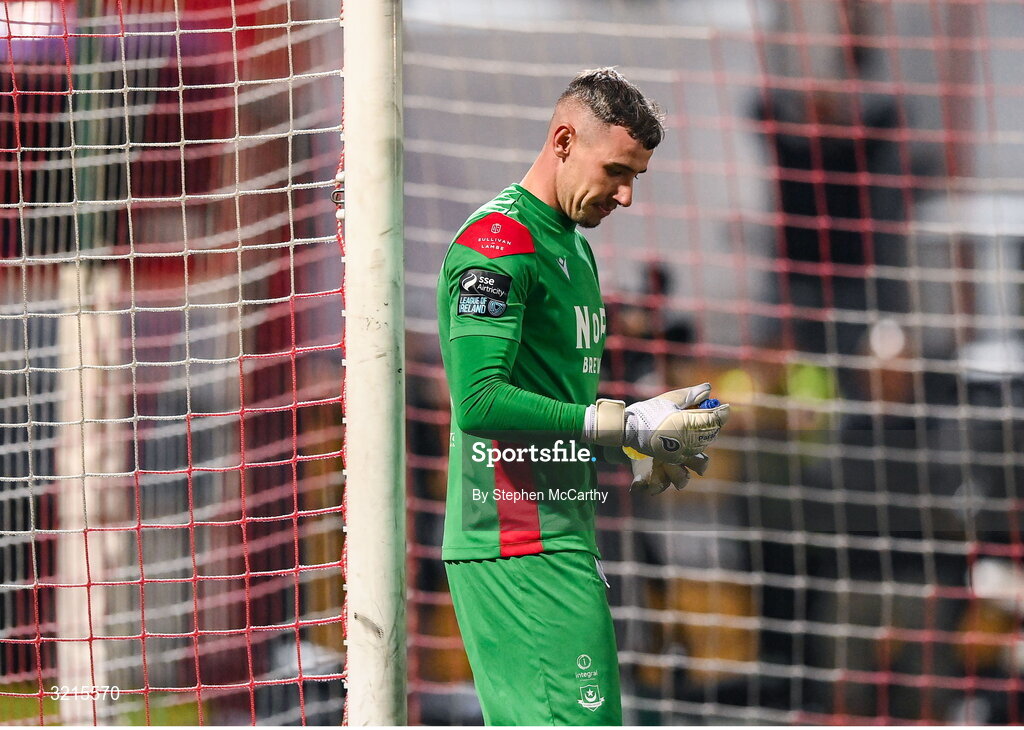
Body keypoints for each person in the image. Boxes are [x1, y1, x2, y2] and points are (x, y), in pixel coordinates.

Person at [436, 67, 730, 725]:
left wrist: (634, 443)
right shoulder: (498, 242)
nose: (625, 195)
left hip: (557, 528)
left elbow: (556, 400)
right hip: (515, 535)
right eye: (618, 171)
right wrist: (618, 424)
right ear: (563, 140)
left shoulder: (574, 246)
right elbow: (478, 401)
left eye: (637, 178)